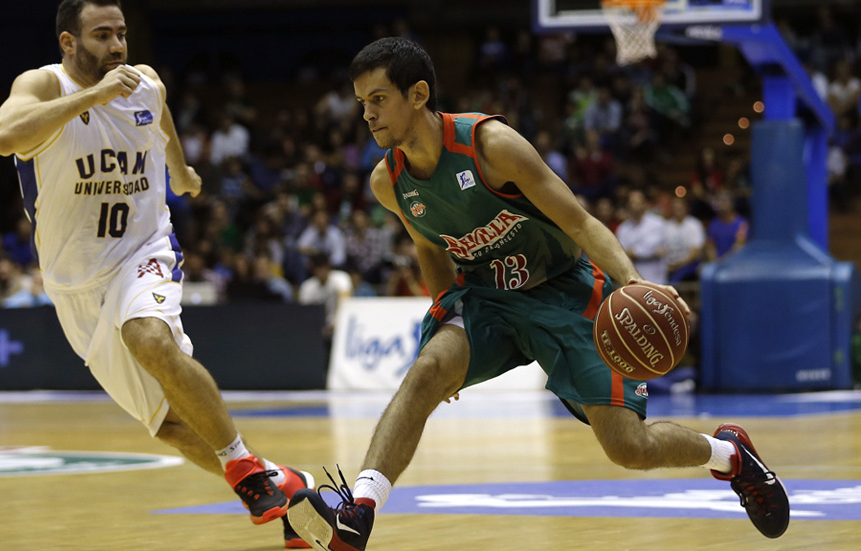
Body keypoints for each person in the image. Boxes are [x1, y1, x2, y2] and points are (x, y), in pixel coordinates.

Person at [286, 37, 790, 550]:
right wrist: (443, 318)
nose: (367, 114)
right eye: (362, 102)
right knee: (426, 372)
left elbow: (580, 222)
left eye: (378, 99)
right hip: (488, 300)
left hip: (564, 292)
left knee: (629, 448)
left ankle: (729, 455)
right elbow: (429, 247)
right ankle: (359, 513)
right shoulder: (388, 182)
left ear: (417, 94)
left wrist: (632, 281)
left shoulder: (491, 146)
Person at [0, 2, 312, 547]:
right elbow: (3, 137)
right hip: (73, 283)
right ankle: (286, 485)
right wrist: (92, 97)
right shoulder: (43, 85)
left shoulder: (144, 83)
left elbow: (159, 115)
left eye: (121, 33)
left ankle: (242, 464)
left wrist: (179, 172)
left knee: (149, 337)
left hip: (143, 248)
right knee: (171, 427)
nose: (117, 45)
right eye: (101, 35)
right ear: (69, 43)